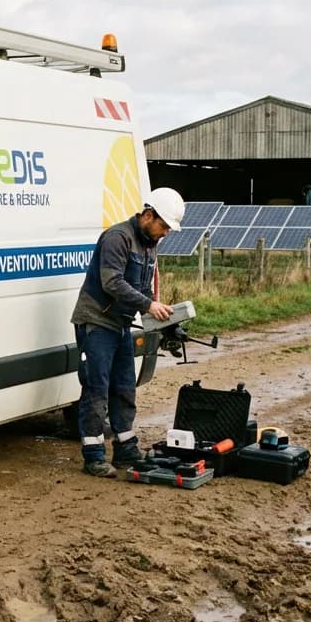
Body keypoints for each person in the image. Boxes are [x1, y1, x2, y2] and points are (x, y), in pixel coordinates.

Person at [71, 187, 185, 478]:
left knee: (124, 386)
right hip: (96, 321)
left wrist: (159, 313)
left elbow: (143, 286)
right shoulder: (117, 238)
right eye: (163, 225)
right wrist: (148, 304)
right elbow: (112, 283)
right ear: (149, 215)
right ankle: (94, 455)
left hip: (120, 324)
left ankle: (125, 447)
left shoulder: (149, 244)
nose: (165, 233)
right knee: (97, 389)